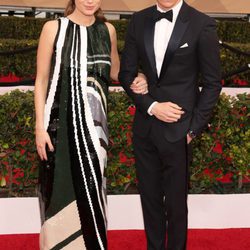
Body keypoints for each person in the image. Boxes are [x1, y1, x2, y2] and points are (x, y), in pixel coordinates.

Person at [34, 0, 147, 249]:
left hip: (95, 131)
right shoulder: (53, 28)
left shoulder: (107, 30)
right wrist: (39, 128)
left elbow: (116, 71)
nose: (89, 0)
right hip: (57, 128)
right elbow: (41, 80)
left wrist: (138, 77)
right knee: (57, 194)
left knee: (92, 192)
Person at [119, 0, 222, 249]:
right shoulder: (139, 19)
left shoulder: (202, 24)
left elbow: (212, 84)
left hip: (180, 131)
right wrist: (151, 105)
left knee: (176, 205)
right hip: (145, 126)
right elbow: (126, 73)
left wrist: (193, 129)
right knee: (150, 200)